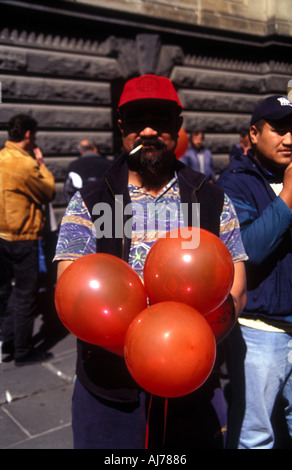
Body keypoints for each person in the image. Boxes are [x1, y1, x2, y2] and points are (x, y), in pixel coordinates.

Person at [54, 74, 247, 449]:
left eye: (159, 120)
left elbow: (235, 288)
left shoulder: (210, 199)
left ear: (177, 127)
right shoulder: (91, 200)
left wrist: (180, 351)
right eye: (136, 119)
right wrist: (141, 349)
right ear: (121, 126)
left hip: (192, 388)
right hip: (110, 391)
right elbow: (73, 291)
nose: (147, 130)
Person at [217, 95, 292, 449]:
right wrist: (289, 197)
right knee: (255, 438)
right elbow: (249, 248)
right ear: (254, 133)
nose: (289, 139)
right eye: (278, 130)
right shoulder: (235, 182)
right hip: (260, 332)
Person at [0, 114, 56, 366]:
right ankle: (23, 350)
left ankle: (8, 339)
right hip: (23, 236)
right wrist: (41, 164)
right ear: (28, 135)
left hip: (2, 234)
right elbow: (48, 192)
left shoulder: (1, 157)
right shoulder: (25, 164)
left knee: (8, 290)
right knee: (25, 293)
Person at [63, 139, 112, 203]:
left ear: (81, 151)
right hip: (106, 207)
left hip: (83, 206)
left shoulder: (74, 166)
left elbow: (68, 190)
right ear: (95, 149)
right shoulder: (109, 164)